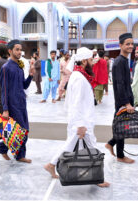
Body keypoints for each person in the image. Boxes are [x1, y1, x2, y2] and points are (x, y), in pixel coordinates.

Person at [44, 47, 110, 188]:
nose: (93, 63)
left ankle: (52, 164)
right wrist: (81, 124)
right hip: (82, 120)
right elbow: (77, 102)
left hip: (81, 118)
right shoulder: (79, 78)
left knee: (72, 145)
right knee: (91, 146)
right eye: (91, 60)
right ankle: (98, 178)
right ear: (84, 61)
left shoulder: (78, 74)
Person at [0, 39, 34, 163]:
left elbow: (24, 85)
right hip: (12, 105)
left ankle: (5, 149)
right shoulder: (6, 67)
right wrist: (5, 109)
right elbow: (4, 90)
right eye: (17, 49)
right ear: (10, 51)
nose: (20, 52)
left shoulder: (19, 66)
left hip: (21, 102)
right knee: (21, 130)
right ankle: (17, 154)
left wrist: (30, 75)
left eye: (20, 49)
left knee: (22, 130)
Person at [105, 33, 135, 164]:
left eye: (131, 44)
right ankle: (120, 155)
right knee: (122, 127)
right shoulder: (119, 62)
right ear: (120, 45)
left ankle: (111, 143)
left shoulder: (124, 61)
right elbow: (120, 84)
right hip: (123, 101)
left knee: (123, 126)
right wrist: (126, 103)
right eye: (127, 44)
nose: (130, 46)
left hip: (126, 99)